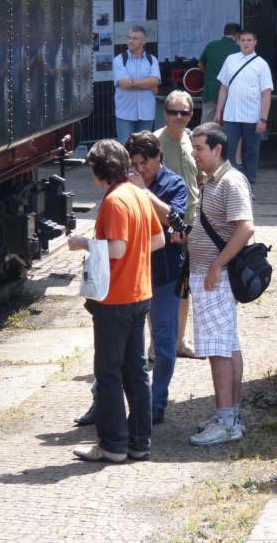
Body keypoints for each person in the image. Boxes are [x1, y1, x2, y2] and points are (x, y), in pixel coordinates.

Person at [68, 140, 165, 462]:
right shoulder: (138, 193)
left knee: (108, 371)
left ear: (100, 169)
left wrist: (84, 242)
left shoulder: (114, 201)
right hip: (140, 292)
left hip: (115, 297)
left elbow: (117, 249)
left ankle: (112, 445)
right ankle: (140, 442)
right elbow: (158, 239)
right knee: (135, 370)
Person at [174, 122, 254, 446]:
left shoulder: (230, 181)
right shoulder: (211, 181)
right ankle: (230, 417)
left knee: (219, 351)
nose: (194, 154)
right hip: (210, 277)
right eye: (193, 148)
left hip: (213, 279)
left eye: (199, 149)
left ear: (217, 149)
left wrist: (216, 267)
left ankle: (225, 421)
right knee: (228, 346)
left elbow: (246, 228)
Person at [125, 132, 189, 424]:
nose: (139, 170)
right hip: (132, 273)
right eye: (134, 163)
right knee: (123, 341)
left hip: (163, 274)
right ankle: (102, 398)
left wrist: (144, 193)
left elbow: (174, 216)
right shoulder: (126, 182)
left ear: (158, 157)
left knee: (164, 343)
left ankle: (157, 402)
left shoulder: (173, 183)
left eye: (144, 163)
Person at [155, 90, 205, 359]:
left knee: (184, 286)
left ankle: (179, 341)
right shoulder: (154, 142)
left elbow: (199, 178)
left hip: (191, 225)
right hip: (162, 226)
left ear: (190, 115)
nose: (178, 117)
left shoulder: (191, 141)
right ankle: (156, 344)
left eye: (183, 112)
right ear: (164, 114)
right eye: (173, 112)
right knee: (160, 286)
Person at [215, 30, 273, 191]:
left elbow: (266, 93)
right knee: (228, 150)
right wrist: (219, 110)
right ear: (238, 42)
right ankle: (229, 185)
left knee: (250, 152)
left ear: (255, 42)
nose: (246, 43)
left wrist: (263, 119)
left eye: (249, 40)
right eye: (243, 40)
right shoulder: (230, 60)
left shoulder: (261, 64)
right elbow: (224, 87)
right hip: (231, 114)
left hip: (253, 116)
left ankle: (249, 185)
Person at [112, 26, 161, 144]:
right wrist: (148, 84)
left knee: (144, 146)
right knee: (125, 147)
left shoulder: (152, 60)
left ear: (144, 41)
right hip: (125, 113)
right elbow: (124, 83)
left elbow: (155, 81)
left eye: (135, 38)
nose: (130, 41)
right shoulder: (119, 59)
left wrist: (132, 83)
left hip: (146, 112)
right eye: (129, 38)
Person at [198, 23, 241, 124]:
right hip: (231, 91)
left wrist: (208, 73)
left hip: (211, 89)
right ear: (238, 35)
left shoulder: (211, 45)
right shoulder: (238, 50)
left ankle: (204, 139)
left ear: (224, 32)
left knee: (207, 122)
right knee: (232, 122)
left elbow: (200, 65)